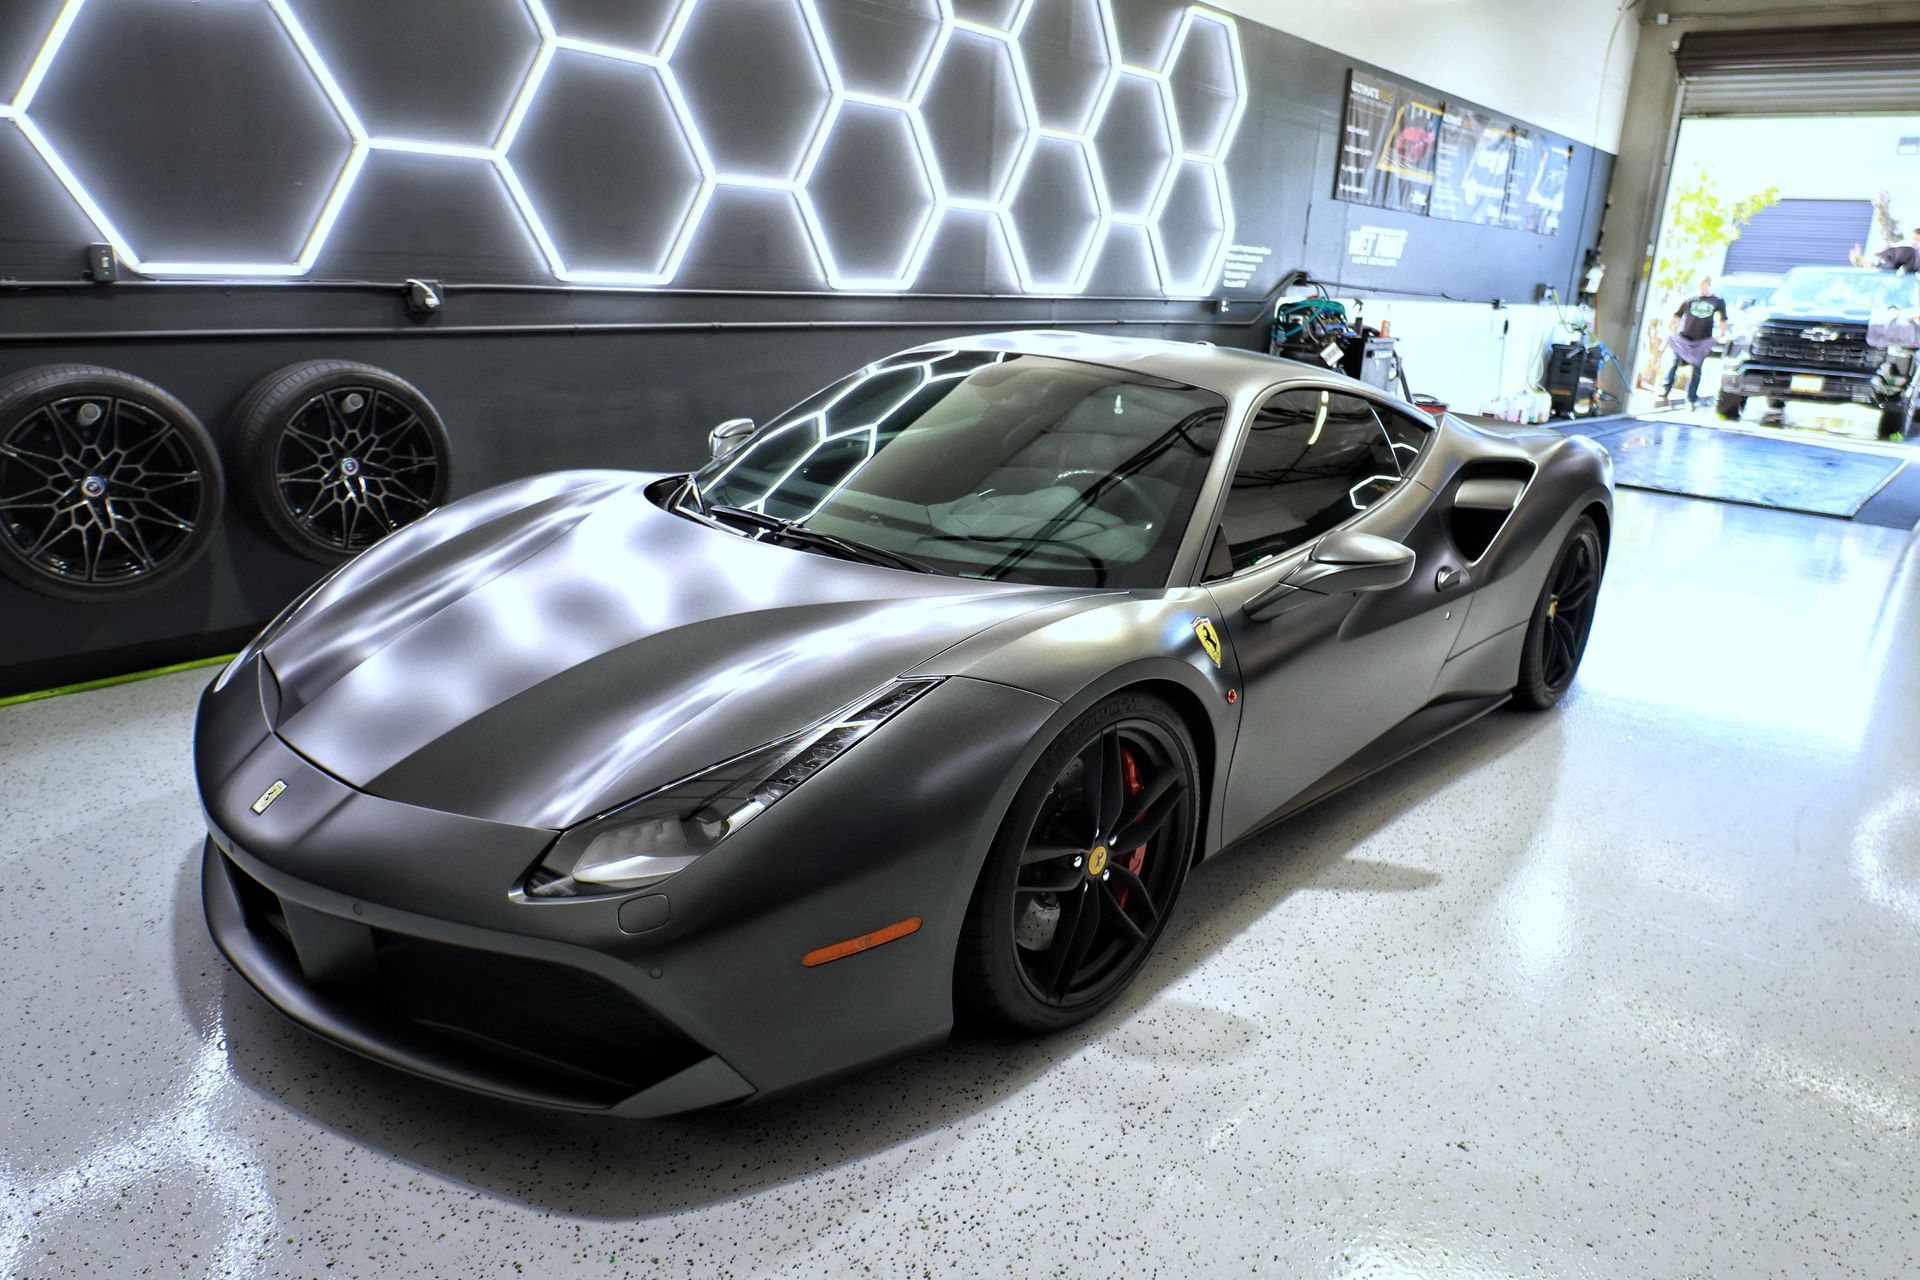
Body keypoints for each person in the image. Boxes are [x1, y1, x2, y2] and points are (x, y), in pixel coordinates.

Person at [1660, 276, 1728, 409]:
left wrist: (1721, 334)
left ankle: (1691, 399)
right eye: (1700, 285)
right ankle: (1665, 388)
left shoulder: (1717, 301)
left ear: (1709, 285)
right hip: (1684, 339)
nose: (1702, 288)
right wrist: (1672, 330)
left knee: (1696, 370)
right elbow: (1677, 316)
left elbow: (1723, 319)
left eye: (1704, 285)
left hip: (1701, 342)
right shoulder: (1690, 299)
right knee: (1674, 363)